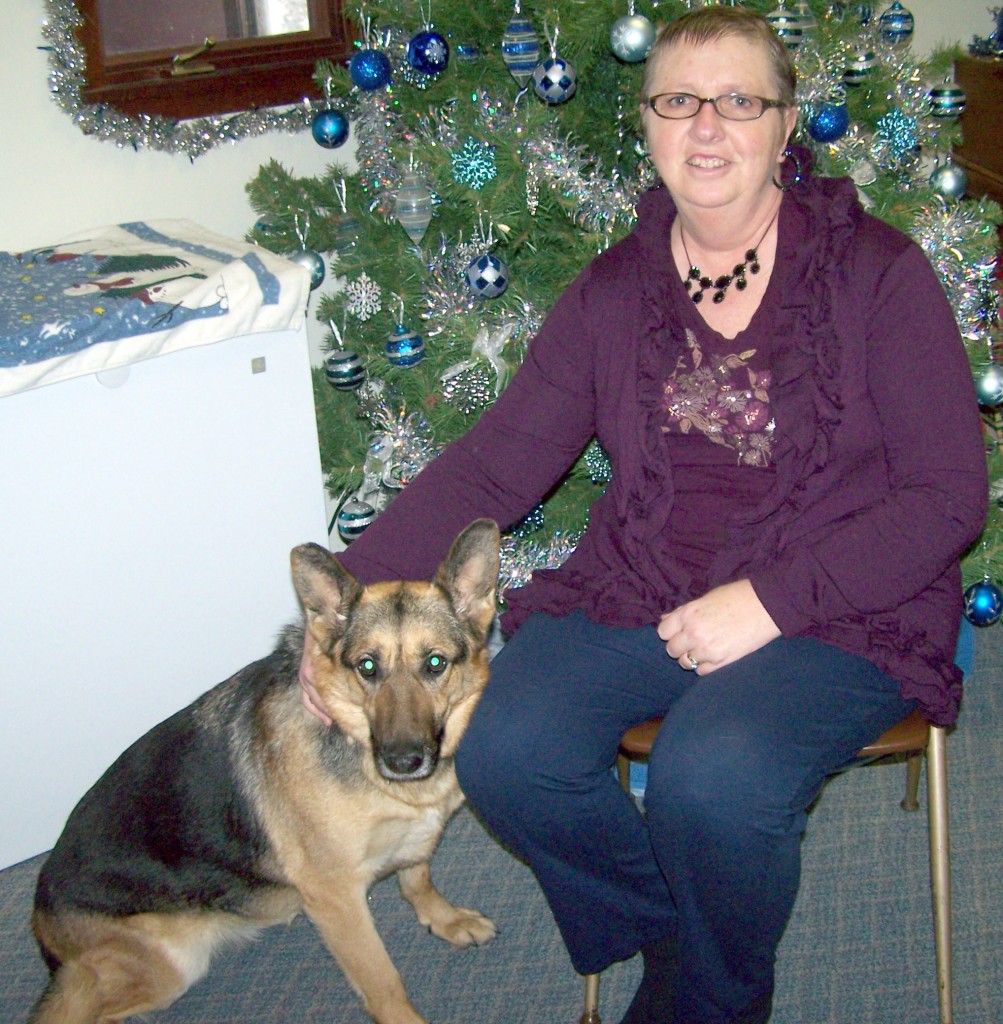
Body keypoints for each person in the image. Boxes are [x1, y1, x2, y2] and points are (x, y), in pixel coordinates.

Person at [301, 8, 987, 1023]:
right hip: (650, 583)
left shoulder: (878, 275)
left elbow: (946, 494)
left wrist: (771, 599)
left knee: (712, 773)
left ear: (784, 122)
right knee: (504, 748)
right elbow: (492, 468)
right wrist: (332, 627)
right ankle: (686, 930)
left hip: (843, 601)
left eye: (737, 102)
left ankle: (710, 997)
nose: (706, 128)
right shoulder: (612, 292)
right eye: (678, 102)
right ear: (648, 123)